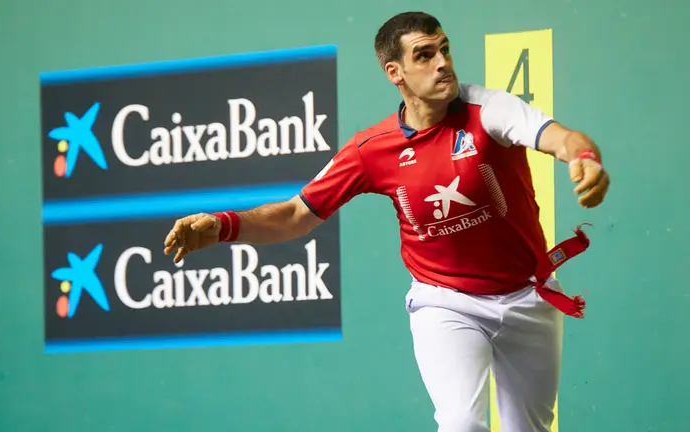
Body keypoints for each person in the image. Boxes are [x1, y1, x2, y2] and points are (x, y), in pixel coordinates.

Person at [162, 11, 610, 432]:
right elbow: (297, 215)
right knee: (461, 424)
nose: (442, 63)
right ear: (394, 72)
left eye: (445, 49)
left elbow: (559, 137)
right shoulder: (371, 150)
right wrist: (224, 225)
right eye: (424, 54)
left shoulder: (489, 110)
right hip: (446, 302)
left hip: (528, 294)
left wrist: (584, 157)